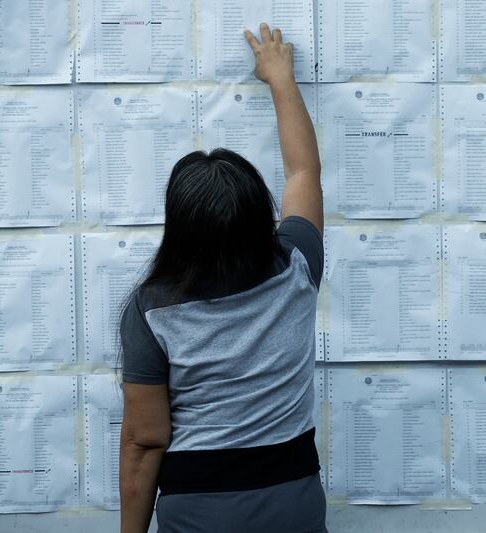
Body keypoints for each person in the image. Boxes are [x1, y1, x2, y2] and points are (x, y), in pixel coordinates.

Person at [118, 23, 326, 533]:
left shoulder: (151, 309)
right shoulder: (296, 267)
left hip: (198, 507)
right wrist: (280, 78)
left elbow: (146, 441)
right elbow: (304, 173)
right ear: (260, 215)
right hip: (293, 497)